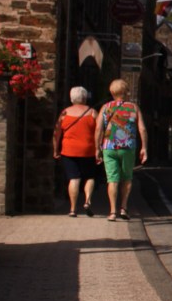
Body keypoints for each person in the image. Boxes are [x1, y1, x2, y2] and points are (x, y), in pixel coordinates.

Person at [94, 78, 148, 221]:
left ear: (112, 92)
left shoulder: (105, 108)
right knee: (127, 178)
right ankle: (123, 208)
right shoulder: (134, 108)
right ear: (126, 92)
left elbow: (99, 128)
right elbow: (142, 128)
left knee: (112, 180)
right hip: (128, 147)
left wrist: (97, 148)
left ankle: (112, 212)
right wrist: (144, 148)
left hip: (109, 147)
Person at [53, 86, 98, 216]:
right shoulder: (92, 112)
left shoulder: (64, 113)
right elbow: (99, 132)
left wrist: (56, 149)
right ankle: (87, 201)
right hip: (88, 150)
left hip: (69, 150)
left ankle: (73, 209)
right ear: (85, 98)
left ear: (71, 98)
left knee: (74, 178)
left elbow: (56, 133)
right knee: (89, 177)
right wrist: (98, 149)